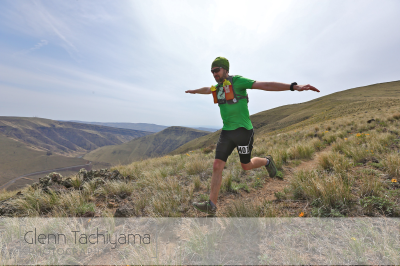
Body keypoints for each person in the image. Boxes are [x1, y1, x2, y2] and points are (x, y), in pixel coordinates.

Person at [185, 57, 320, 215]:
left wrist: (293, 86)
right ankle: (212, 205)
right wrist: (194, 91)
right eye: (212, 71)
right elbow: (207, 89)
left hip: (244, 132)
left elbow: (265, 85)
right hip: (227, 132)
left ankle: (267, 161)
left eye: (217, 70)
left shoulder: (238, 81)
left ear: (226, 69)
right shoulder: (218, 87)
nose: (214, 73)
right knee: (217, 166)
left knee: (246, 166)